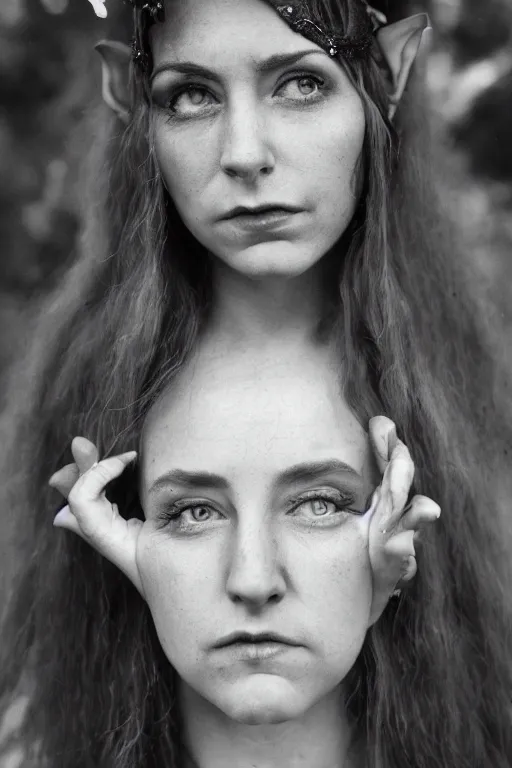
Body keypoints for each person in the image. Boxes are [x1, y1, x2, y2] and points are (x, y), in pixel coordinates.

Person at [0, 0, 511, 766]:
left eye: (300, 83)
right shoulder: (99, 393)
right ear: (128, 96)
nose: (244, 153)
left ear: (393, 72)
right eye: (191, 94)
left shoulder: (464, 401)